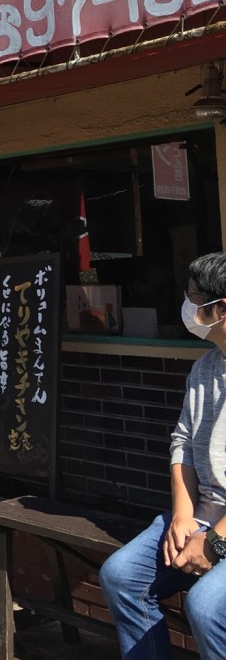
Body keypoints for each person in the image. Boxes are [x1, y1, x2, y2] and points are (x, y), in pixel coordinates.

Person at [99, 252, 226, 658]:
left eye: (193, 299)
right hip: (203, 514)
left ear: (222, 308)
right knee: (121, 576)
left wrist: (214, 543)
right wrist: (184, 516)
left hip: (221, 531)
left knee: (205, 606)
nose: (187, 309)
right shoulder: (205, 368)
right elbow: (183, 441)